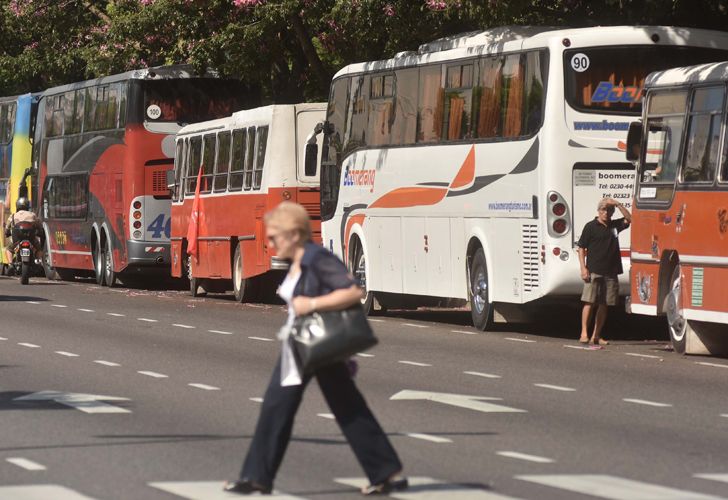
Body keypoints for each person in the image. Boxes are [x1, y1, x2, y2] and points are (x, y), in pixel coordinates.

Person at [224, 201, 407, 496]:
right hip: (303, 343)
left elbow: (352, 291)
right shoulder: (298, 262)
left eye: (275, 237)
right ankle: (384, 471)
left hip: (315, 343)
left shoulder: (317, 258)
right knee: (288, 406)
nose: (270, 243)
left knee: (300, 406)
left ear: (294, 234)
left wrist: (311, 304)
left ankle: (257, 477)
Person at [577, 197, 631, 346]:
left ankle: (597, 335)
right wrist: (583, 268)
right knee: (589, 302)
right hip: (594, 270)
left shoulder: (614, 226)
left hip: (611, 271)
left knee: (604, 304)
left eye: (609, 210)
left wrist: (618, 204)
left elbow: (630, 219)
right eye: (603, 210)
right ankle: (584, 333)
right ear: (598, 211)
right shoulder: (590, 226)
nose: (606, 213)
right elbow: (581, 247)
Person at [4, 196, 43, 262]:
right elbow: (39, 226)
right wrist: (40, 232)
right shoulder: (33, 215)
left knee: (9, 250)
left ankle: (10, 264)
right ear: (28, 206)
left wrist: (7, 233)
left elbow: (7, 227)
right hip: (31, 238)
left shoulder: (13, 216)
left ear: (17, 205)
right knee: (39, 249)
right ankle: (38, 261)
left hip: (17, 240)